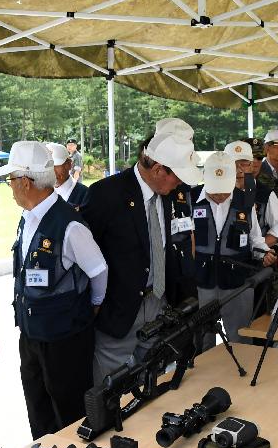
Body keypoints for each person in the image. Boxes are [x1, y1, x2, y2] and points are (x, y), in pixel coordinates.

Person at [0, 141, 107, 438]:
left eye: (11, 181)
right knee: (38, 405)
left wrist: (93, 305)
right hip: (32, 333)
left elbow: (99, 270)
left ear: (25, 182)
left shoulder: (69, 224)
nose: (11, 188)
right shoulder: (28, 218)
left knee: (69, 411)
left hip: (64, 338)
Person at [82, 119, 201, 384]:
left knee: (152, 386)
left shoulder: (175, 194)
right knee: (113, 392)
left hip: (160, 306)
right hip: (118, 314)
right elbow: (84, 259)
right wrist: (94, 307)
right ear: (159, 169)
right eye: (177, 175)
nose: (181, 182)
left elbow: (183, 242)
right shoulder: (106, 195)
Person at [192, 152, 277, 349]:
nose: (220, 196)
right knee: (202, 340)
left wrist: (264, 253)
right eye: (214, 191)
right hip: (202, 282)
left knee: (240, 338)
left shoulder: (246, 201)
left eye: (224, 190)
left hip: (238, 281)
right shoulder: (191, 198)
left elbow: (255, 237)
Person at [49, 142, 89, 209]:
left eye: (55, 166)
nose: (51, 171)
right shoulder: (42, 194)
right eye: (47, 167)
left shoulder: (85, 194)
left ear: (68, 164)